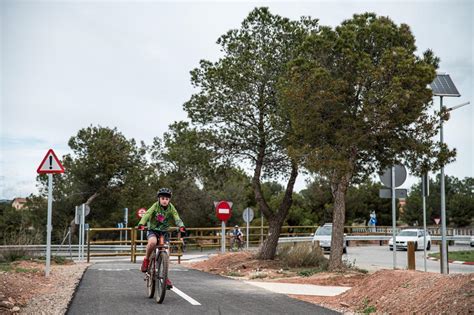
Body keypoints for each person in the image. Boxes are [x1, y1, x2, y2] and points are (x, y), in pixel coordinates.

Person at [137, 188, 185, 289]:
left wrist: (181, 225)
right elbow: (147, 214)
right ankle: (146, 260)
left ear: (169, 200)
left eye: (167, 199)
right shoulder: (155, 206)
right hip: (153, 230)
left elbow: (176, 217)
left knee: (166, 253)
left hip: (164, 232)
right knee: (152, 243)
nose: (164, 200)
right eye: (162, 198)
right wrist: (142, 223)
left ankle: (165, 277)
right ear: (159, 198)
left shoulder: (171, 208)